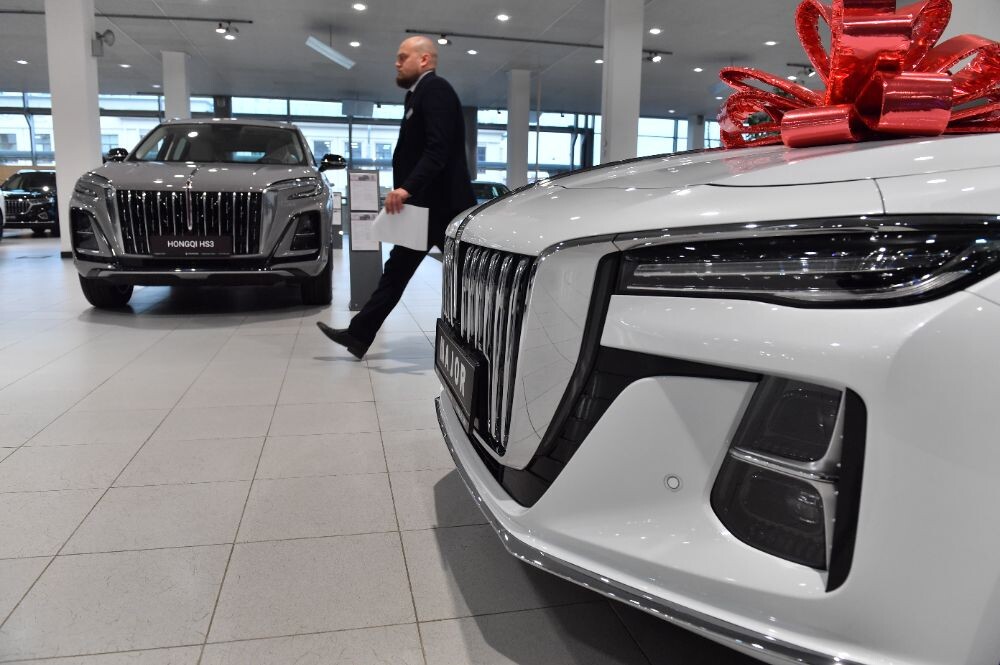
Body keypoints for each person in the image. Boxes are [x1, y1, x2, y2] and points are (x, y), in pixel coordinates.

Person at [317, 35, 475, 359]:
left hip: (443, 207)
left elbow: (438, 149)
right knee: (397, 272)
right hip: (425, 208)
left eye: (403, 57)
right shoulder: (416, 95)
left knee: (471, 278)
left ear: (424, 60)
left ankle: (488, 337)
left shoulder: (436, 90)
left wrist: (406, 188)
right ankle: (358, 335)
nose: (397, 63)